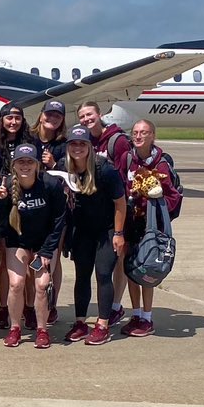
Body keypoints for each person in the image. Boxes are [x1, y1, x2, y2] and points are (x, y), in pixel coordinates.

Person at [0, 144, 66, 349]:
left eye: (29, 162)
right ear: (14, 165)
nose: (25, 166)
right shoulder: (5, 184)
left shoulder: (50, 184)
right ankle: (15, 328)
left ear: (37, 164)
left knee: (41, 285)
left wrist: (48, 250)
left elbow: (59, 219)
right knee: (16, 284)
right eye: (21, 162)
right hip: (18, 241)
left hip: (44, 242)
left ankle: (42, 330)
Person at [61, 125, 127, 346]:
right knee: (82, 275)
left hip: (106, 229)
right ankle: (80, 322)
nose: (77, 147)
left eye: (82, 143)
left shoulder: (104, 169)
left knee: (103, 273)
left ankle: (102, 325)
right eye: (73, 144)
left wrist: (118, 233)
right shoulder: (64, 167)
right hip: (82, 230)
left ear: (89, 146)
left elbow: (120, 203)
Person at [120, 120, 182, 337]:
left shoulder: (162, 163)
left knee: (147, 268)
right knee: (131, 268)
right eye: (135, 132)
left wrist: (154, 198)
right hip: (130, 222)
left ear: (152, 136)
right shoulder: (128, 159)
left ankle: (147, 317)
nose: (138, 136)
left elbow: (174, 197)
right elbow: (121, 186)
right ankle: (135, 314)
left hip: (151, 226)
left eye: (143, 133)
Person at [76, 101, 132, 325]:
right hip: (91, 214)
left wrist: (121, 223)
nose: (87, 119)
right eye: (82, 116)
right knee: (101, 266)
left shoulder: (116, 141)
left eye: (90, 114)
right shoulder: (83, 142)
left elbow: (124, 176)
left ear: (100, 114)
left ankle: (115, 305)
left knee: (113, 263)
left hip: (115, 210)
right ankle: (113, 307)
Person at [0, 103, 33, 330]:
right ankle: (5, 307)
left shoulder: (30, 143)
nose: (13, 122)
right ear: (1, 121)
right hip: (5, 206)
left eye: (17, 118)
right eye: (9, 118)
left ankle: (29, 306)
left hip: (29, 206)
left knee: (29, 258)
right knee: (5, 259)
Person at [30, 99, 68, 323]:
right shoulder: (29, 140)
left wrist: (54, 165)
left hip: (55, 207)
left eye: (57, 115)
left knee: (52, 258)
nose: (52, 118)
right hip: (31, 207)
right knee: (29, 260)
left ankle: (50, 304)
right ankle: (31, 305)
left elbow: (71, 173)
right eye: (49, 114)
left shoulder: (63, 144)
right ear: (41, 115)